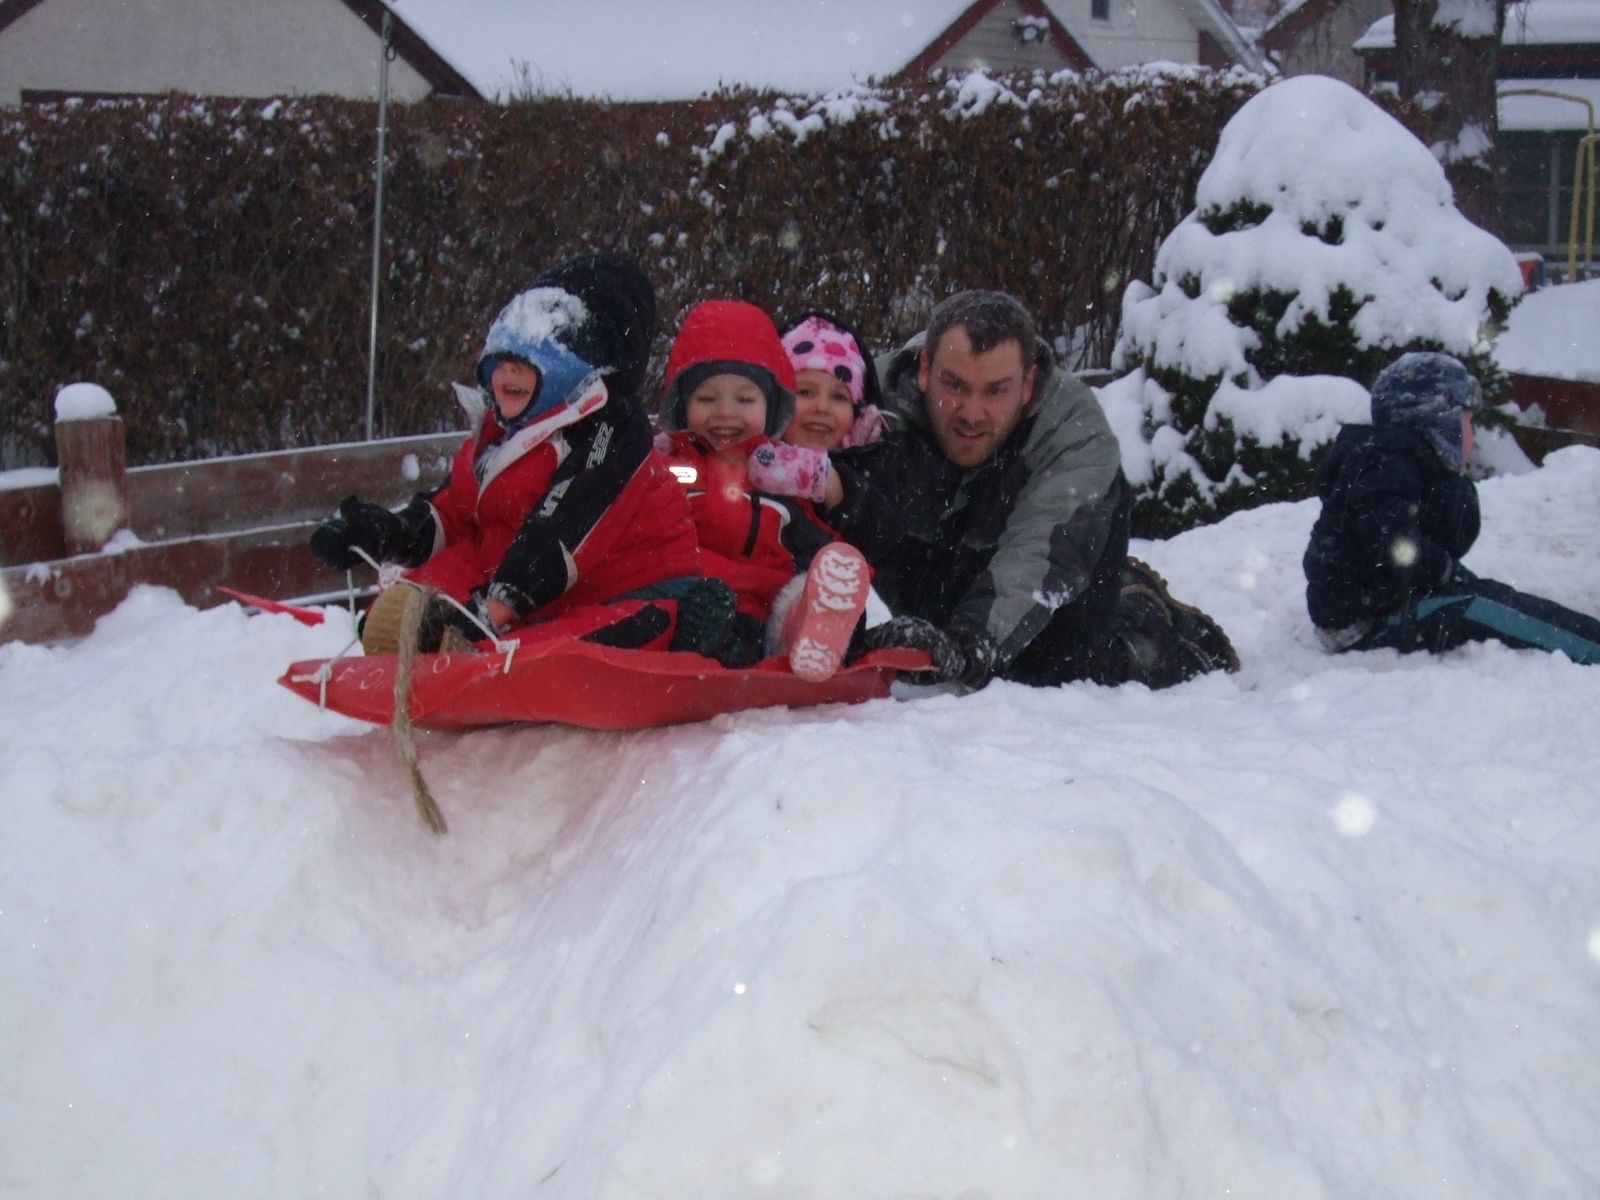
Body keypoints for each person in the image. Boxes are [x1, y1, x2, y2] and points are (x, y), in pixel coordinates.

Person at [754, 288, 1237, 690]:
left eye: (996, 391)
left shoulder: (1074, 433)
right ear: (923, 369)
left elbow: (1037, 556)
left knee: (1047, 669)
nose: (972, 412)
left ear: (1027, 385)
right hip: (940, 545)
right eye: (954, 385)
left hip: (1054, 551)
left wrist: (970, 643)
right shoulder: (858, 398)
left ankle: (1145, 621)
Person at [308, 254, 704, 655]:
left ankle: (489, 655)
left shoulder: (610, 431)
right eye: (501, 360)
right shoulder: (500, 435)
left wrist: (491, 611)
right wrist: (383, 533)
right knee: (409, 608)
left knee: (553, 648)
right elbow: (453, 513)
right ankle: (434, 640)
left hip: (625, 589)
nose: (508, 373)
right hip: (530, 586)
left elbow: (564, 529)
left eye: (528, 361)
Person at [1303, 351, 1600, 663]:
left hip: (1386, 600)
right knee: (1484, 608)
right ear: (1439, 422)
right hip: (1363, 622)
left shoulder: (1402, 461)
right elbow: (1393, 544)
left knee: (1492, 595)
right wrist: (1443, 569)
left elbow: (1433, 538)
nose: (1472, 432)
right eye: (1468, 420)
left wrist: (1446, 569)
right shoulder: (1385, 463)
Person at [655, 299, 870, 680]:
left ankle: (815, 630)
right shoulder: (668, 468)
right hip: (686, 593)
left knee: (790, 603)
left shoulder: (778, 475)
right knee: (695, 615)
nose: (725, 412)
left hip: (760, 607)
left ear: (771, 407)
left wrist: (835, 570)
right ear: (681, 405)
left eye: (745, 399)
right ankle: (699, 642)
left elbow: (810, 539)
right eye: (707, 398)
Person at [779, 312, 887, 451]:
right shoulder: (751, 460)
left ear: (859, 412)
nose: (822, 407)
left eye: (839, 397)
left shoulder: (885, 462)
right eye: (805, 392)